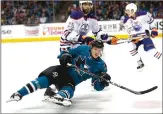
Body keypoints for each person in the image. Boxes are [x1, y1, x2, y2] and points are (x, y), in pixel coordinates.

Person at [44, 0, 119, 99]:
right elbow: (67, 33)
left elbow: (97, 32)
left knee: (97, 55)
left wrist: (107, 38)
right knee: (67, 67)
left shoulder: (92, 18)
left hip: (79, 44)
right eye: (85, 4)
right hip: (67, 44)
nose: (87, 6)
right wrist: (84, 38)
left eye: (89, 4)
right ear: (80, 5)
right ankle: (52, 88)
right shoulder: (75, 15)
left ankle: (95, 80)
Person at [8, 40, 111, 107]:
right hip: (61, 70)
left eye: (99, 49)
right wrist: (65, 56)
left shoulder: (101, 66)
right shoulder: (83, 49)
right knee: (41, 82)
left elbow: (96, 86)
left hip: (70, 81)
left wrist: (102, 82)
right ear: (91, 48)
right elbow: (67, 52)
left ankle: (58, 96)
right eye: (95, 49)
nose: (97, 52)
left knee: (69, 90)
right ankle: (18, 94)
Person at [123, 3, 162, 71]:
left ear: (133, 10)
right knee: (131, 48)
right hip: (136, 37)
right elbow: (130, 32)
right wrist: (133, 39)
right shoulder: (126, 20)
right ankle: (139, 62)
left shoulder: (144, 14)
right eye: (127, 11)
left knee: (152, 51)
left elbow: (151, 21)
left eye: (128, 10)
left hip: (144, 36)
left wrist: (154, 29)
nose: (127, 12)